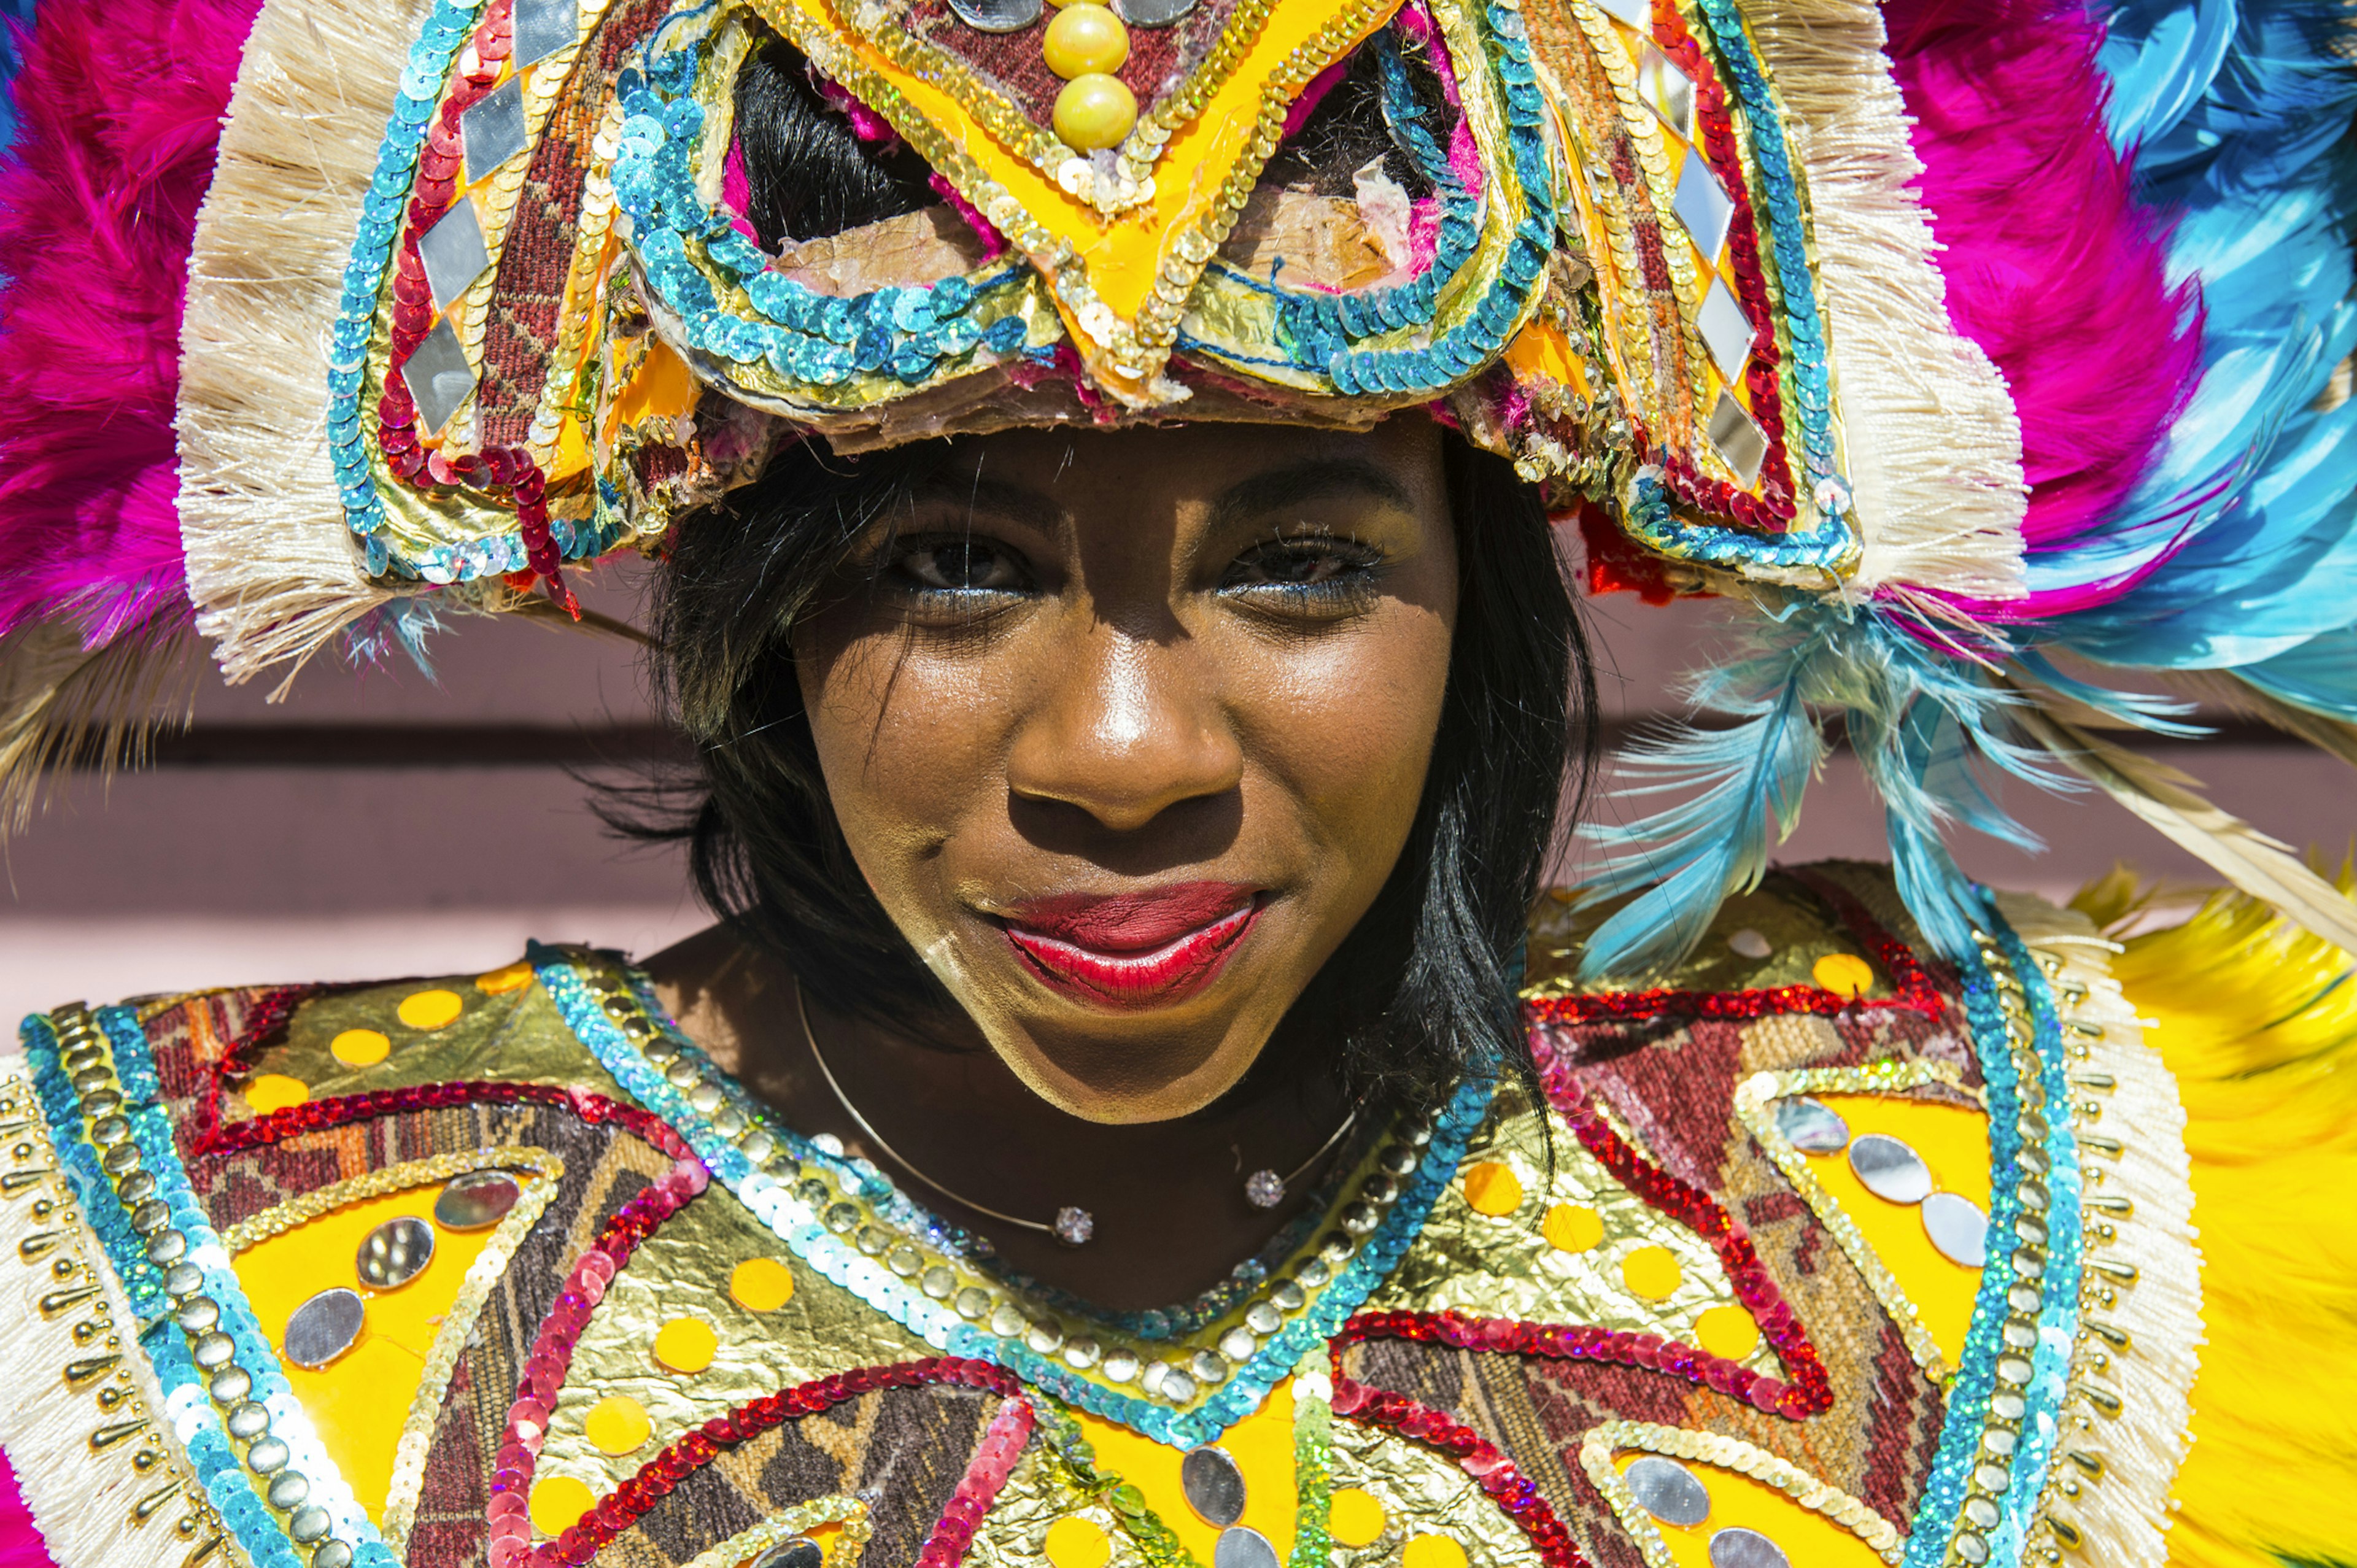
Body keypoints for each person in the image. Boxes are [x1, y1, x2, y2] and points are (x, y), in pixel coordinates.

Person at [0, 0, 2350, 1566]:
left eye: (1304, 564)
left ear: (1492, 596)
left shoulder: (2022, 1218)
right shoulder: (167, 1305)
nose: (1124, 757)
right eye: (944, 569)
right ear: (753, 617)